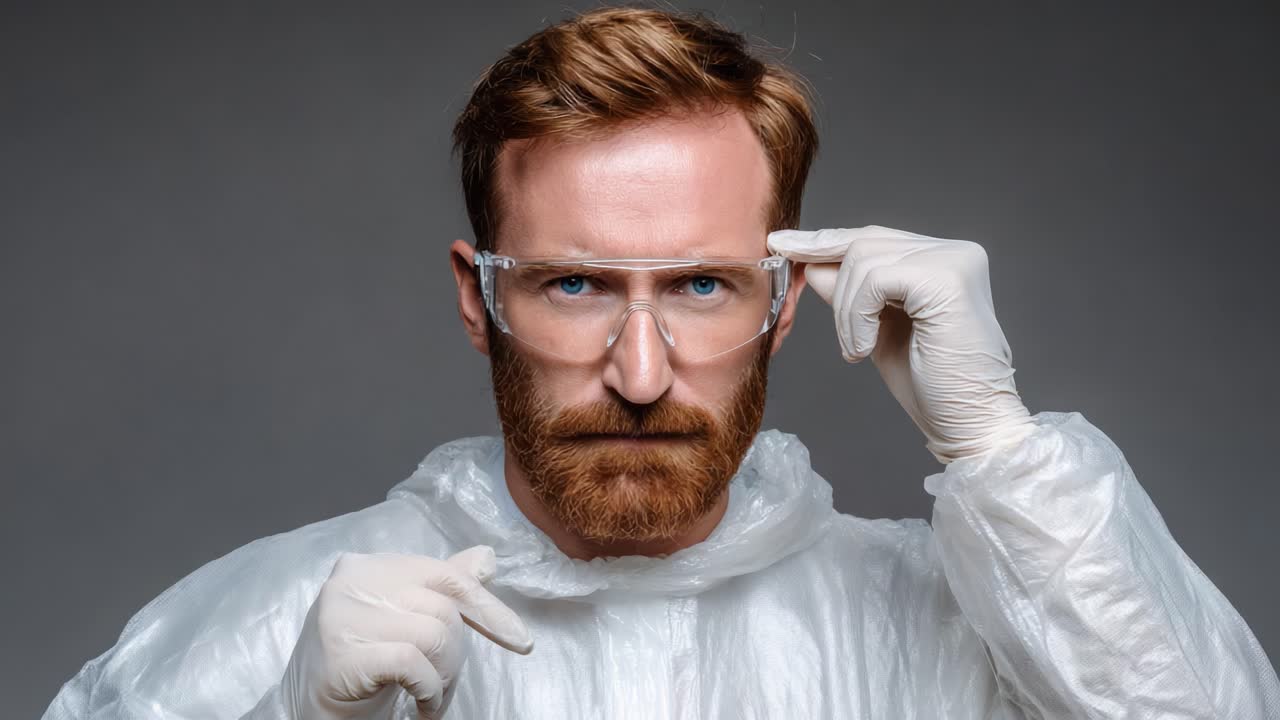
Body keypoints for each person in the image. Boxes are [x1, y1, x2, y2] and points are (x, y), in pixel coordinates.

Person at [43, 6, 1279, 719]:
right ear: (478, 300)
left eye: (700, 285)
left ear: (786, 302)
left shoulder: (959, 631)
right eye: (573, 283)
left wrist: (998, 446)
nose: (641, 372)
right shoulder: (282, 622)